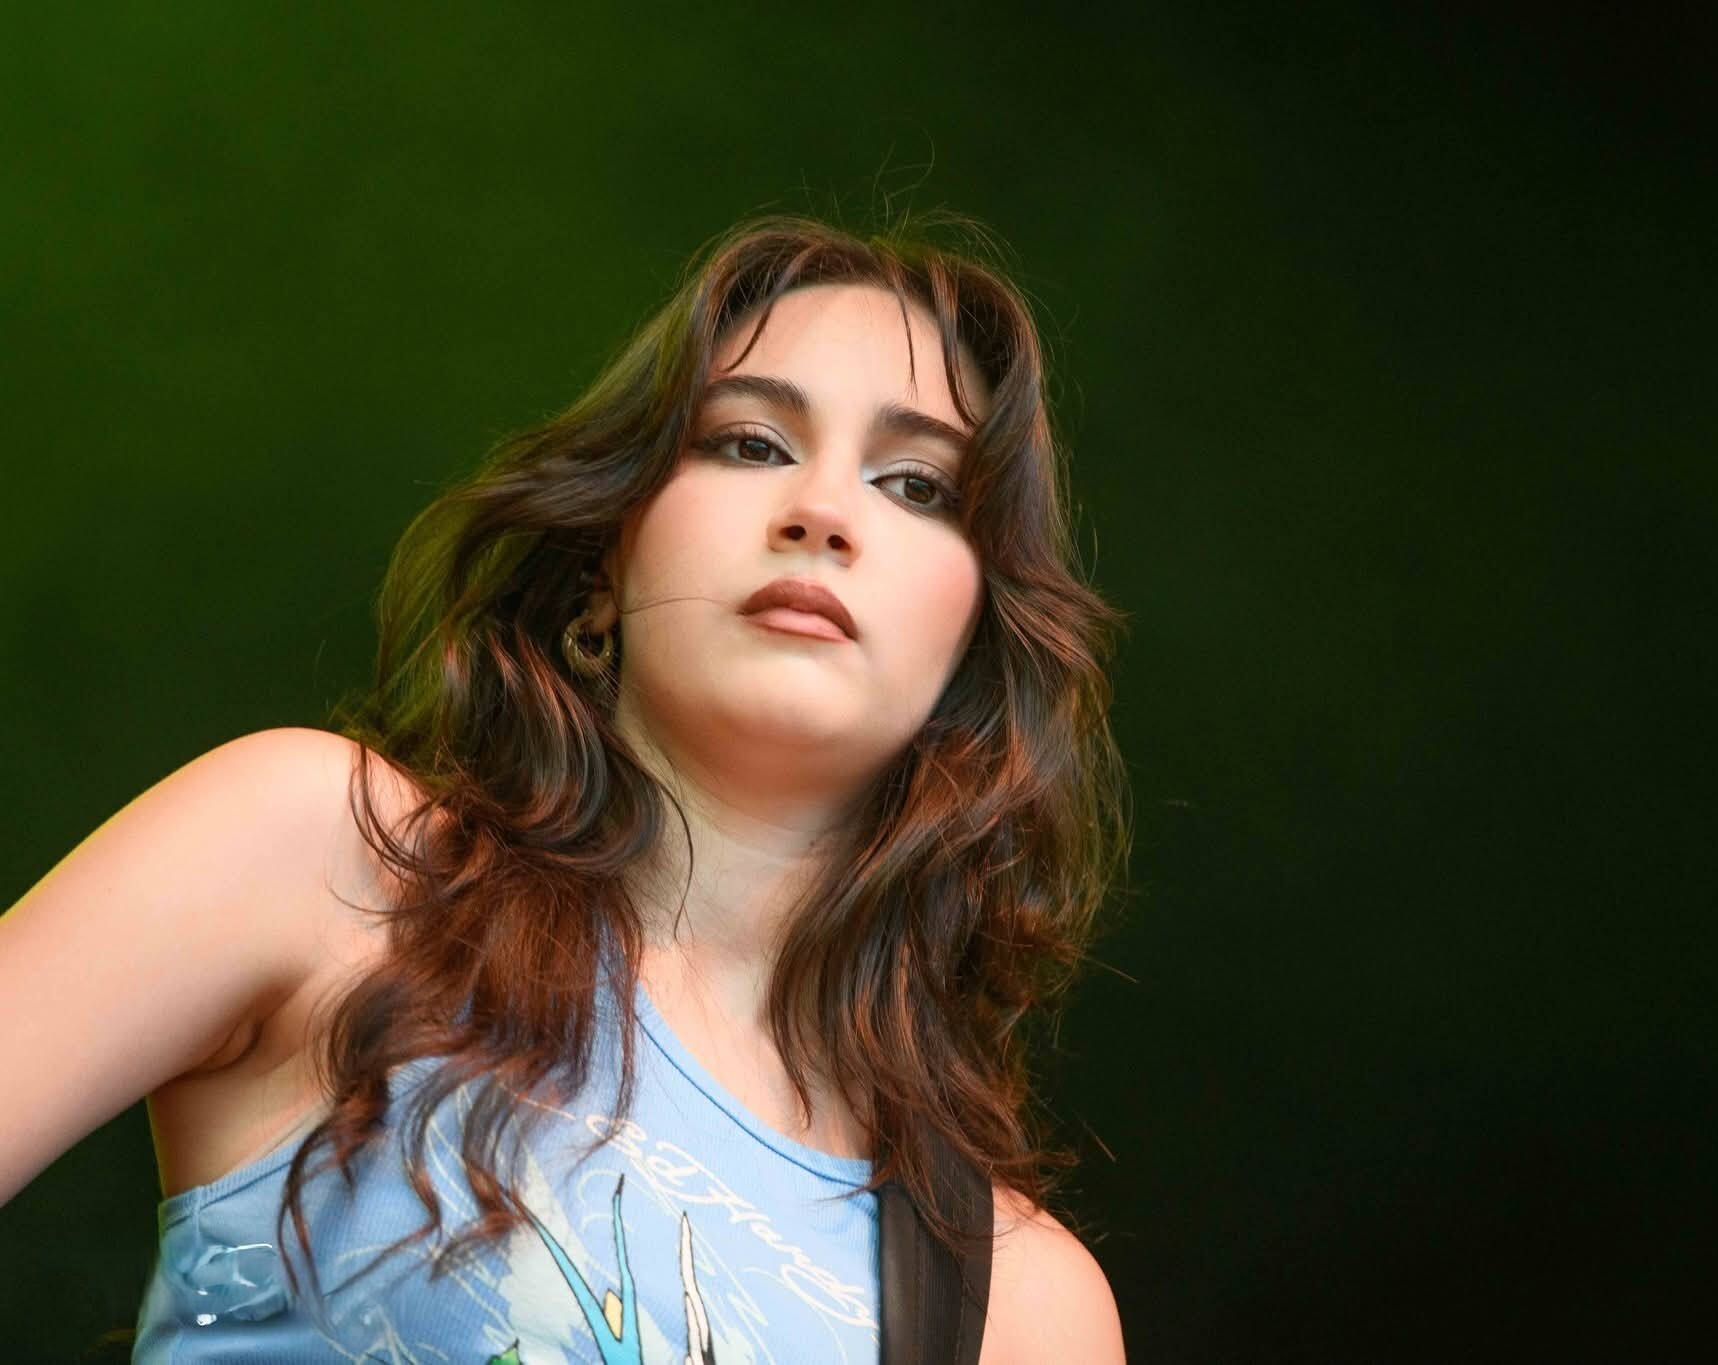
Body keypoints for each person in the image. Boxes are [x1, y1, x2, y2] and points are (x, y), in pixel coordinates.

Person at [0, 210, 1132, 1362]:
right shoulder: (326, 865)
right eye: (750, 444)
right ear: (605, 565)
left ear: (971, 647)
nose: (824, 512)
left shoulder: (1025, 1309)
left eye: (917, 485)